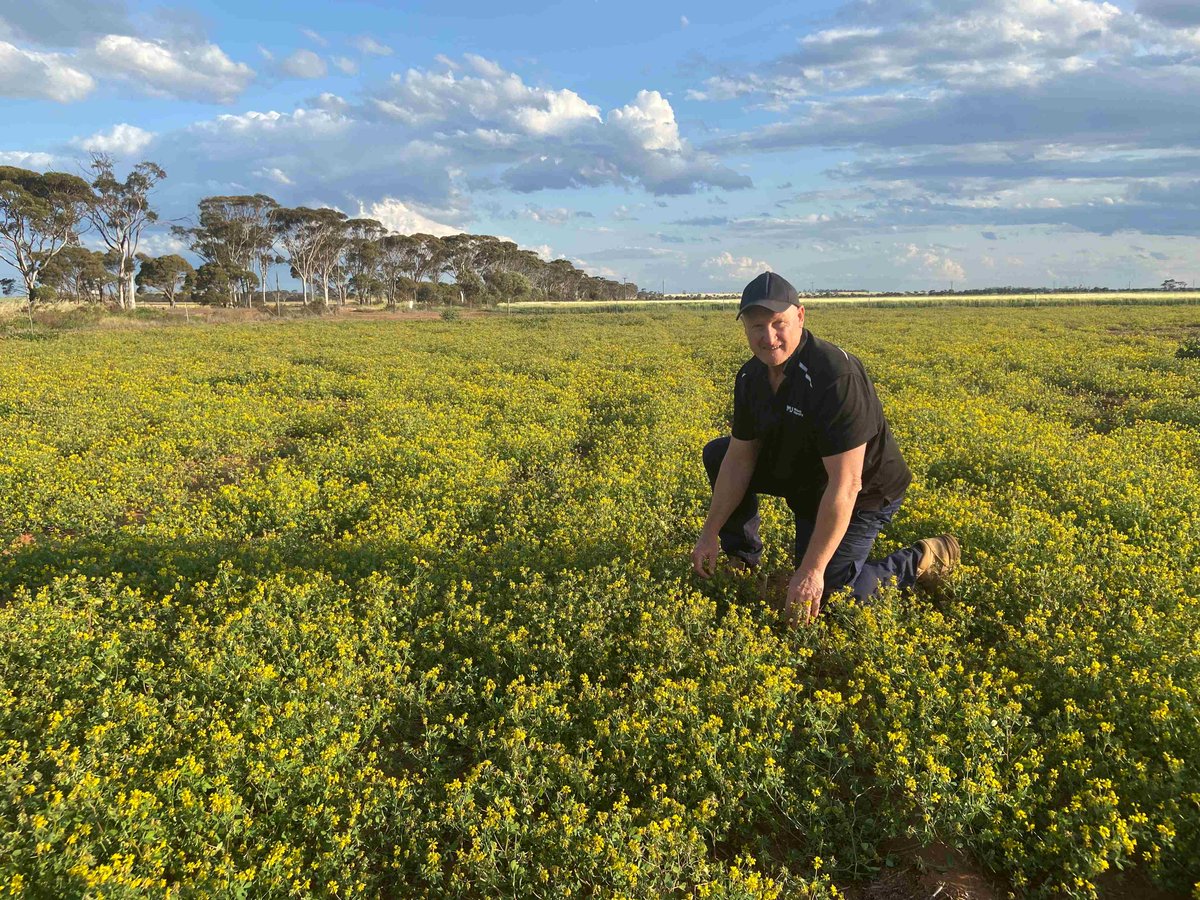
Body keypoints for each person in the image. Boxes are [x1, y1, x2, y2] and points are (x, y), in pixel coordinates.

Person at [691, 271, 959, 626]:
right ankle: (742, 557)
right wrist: (709, 532)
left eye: (778, 323)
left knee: (830, 596)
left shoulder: (834, 375)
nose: (768, 337)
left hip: (865, 491)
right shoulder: (750, 377)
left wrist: (812, 572)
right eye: (757, 326)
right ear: (744, 328)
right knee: (719, 452)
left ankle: (923, 557)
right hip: (809, 477)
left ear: (800, 316)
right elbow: (740, 458)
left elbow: (846, 484)